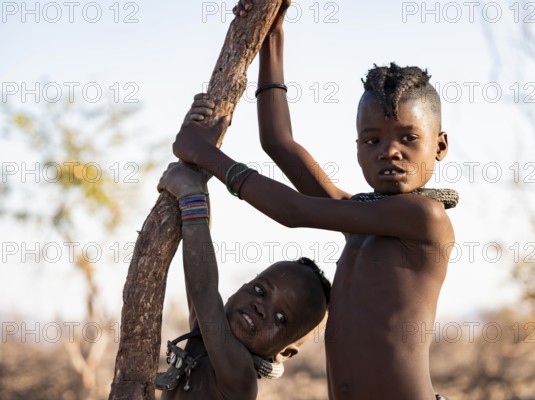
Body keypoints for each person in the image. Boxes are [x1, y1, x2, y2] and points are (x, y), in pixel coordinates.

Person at [177, 1, 457, 398]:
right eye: (372, 140)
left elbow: (293, 211)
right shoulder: (360, 221)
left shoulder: (425, 218)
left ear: (440, 145)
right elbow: (279, 143)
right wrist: (271, 35)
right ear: (358, 147)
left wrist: (205, 154)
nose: (390, 152)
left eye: (408, 138)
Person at [155, 161, 331, 400]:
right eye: (260, 291)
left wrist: (189, 194)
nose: (261, 308)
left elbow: (205, 291)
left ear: (284, 352)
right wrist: (200, 170)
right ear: (240, 288)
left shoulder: (240, 378)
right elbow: (200, 267)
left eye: (281, 318)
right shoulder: (203, 336)